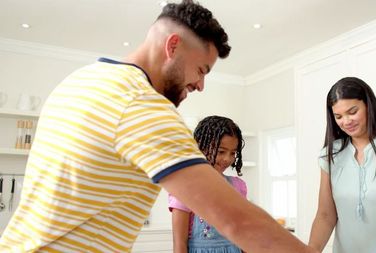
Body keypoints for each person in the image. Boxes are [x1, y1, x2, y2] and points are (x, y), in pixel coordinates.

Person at [0, 1, 319, 253]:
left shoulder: (81, 80)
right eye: (201, 69)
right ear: (173, 46)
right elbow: (238, 220)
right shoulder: (141, 105)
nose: (200, 84)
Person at [308, 77, 376, 253]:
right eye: (338, 116)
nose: (346, 121)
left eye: (352, 112)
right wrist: (311, 250)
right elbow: (325, 214)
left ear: (368, 105)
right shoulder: (330, 154)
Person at [169, 115, 247, 253]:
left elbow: (244, 235)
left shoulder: (238, 186)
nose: (227, 159)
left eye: (233, 153)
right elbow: (179, 242)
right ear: (201, 146)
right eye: (221, 151)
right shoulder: (185, 186)